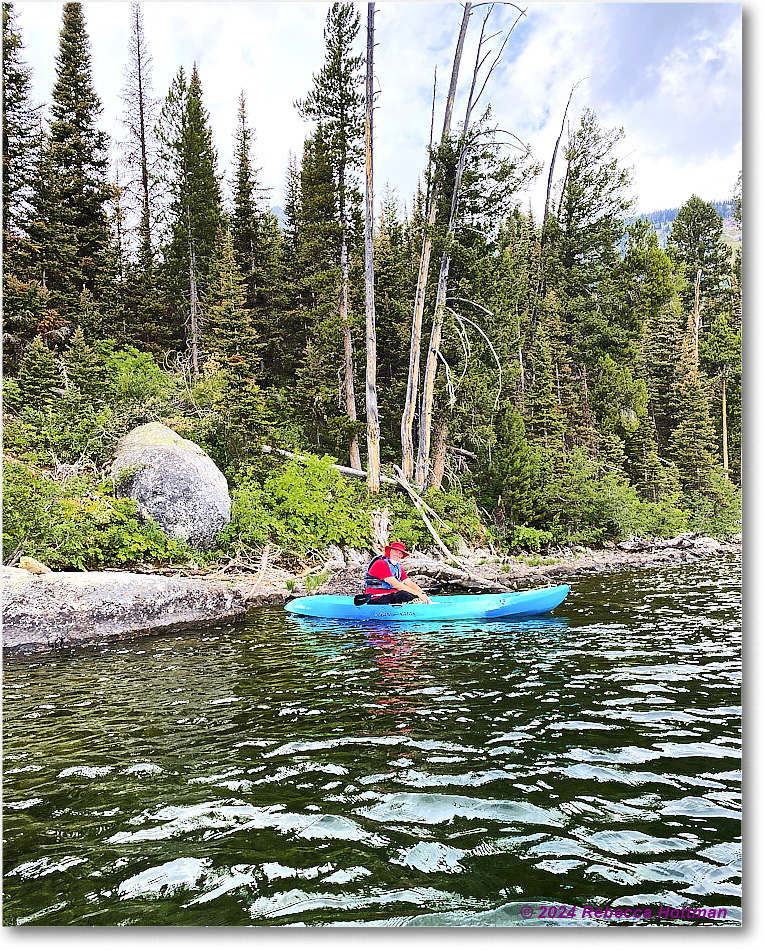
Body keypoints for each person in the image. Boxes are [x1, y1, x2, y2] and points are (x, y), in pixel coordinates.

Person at [355, 541, 432, 606]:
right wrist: (418, 594)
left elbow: (409, 583)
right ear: (389, 552)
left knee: (411, 593)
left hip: (390, 595)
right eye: (396, 552)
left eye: (400, 553)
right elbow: (396, 585)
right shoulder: (381, 564)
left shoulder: (397, 567)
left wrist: (422, 593)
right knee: (403, 594)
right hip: (376, 598)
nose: (398, 555)